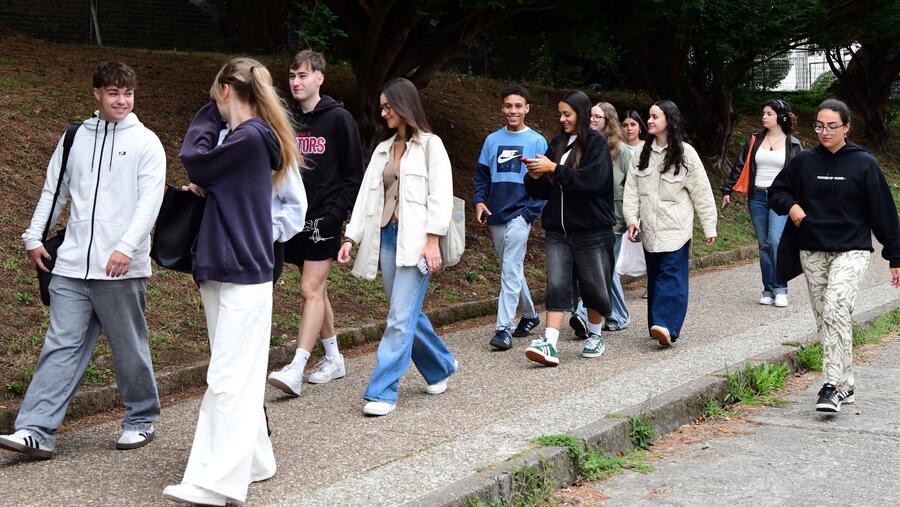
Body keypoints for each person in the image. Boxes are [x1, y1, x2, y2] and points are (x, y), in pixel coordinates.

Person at [0, 61, 165, 459]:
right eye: (113, 93)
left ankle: (141, 419)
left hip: (121, 266)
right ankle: (36, 430)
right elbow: (53, 191)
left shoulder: (146, 142)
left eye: (127, 93)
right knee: (60, 345)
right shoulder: (75, 137)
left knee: (129, 348)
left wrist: (126, 247)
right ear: (97, 94)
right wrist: (32, 236)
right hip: (72, 264)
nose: (121, 100)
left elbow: (150, 203)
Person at [162, 57, 301, 506]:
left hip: (242, 269)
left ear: (225, 90)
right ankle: (256, 460)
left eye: (214, 95)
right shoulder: (244, 139)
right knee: (237, 371)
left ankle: (216, 481)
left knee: (227, 375)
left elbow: (193, 159)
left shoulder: (250, 138)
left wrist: (211, 109)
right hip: (224, 267)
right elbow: (208, 172)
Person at [768, 98, 900, 413]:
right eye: (819, 125)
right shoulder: (804, 162)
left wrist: (896, 257)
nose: (824, 132)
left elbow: (883, 212)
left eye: (832, 126)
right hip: (812, 250)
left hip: (852, 250)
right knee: (826, 318)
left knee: (837, 308)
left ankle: (832, 386)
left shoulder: (864, 163)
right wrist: (793, 208)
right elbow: (777, 192)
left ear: (846, 127)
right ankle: (847, 384)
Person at [338, 78, 457, 416]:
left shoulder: (431, 146)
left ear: (406, 106)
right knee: (404, 313)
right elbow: (366, 198)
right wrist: (351, 237)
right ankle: (441, 366)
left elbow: (441, 195)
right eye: (382, 106)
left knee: (399, 317)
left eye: (389, 106)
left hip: (417, 241)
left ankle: (383, 390)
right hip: (387, 237)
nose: (383, 112)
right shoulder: (382, 149)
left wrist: (433, 240)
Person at [268, 50, 364, 396]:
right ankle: (334, 357)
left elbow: (355, 174)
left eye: (303, 76)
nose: (296, 82)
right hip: (293, 219)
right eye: (292, 76)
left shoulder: (339, 119)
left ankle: (297, 365)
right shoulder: (287, 120)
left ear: (319, 78)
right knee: (315, 290)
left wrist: (337, 216)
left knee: (310, 288)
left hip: (325, 219)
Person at [522, 90, 616, 366]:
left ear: (582, 114)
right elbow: (542, 191)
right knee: (558, 282)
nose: (562, 119)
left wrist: (554, 168)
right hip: (557, 231)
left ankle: (596, 334)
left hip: (591, 229)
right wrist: (536, 175)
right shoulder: (557, 143)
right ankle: (550, 342)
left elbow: (592, 181)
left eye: (567, 114)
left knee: (593, 285)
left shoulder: (596, 144)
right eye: (560, 114)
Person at [623, 100, 717, 347]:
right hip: (650, 231)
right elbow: (631, 191)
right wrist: (632, 219)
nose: (650, 121)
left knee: (671, 278)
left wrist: (710, 226)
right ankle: (658, 326)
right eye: (649, 117)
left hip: (677, 229)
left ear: (669, 121)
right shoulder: (641, 154)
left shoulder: (686, 154)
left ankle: (667, 325)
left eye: (655, 117)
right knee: (655, 279)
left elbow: (702, 193)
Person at [473, 84, 547, 351]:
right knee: (511, 268)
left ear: (527, 108)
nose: (513, 110)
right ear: (502, 108)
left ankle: (502, 329)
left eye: (518, 106)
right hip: (495, 212)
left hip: (520, 214)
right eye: (508, 106)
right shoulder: (492, 140)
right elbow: (482, 176)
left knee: (510, 268)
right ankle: (530, 315)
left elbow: (545, 182)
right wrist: (480, 201)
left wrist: (529, 213)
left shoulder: (537, 141)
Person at [722, 99, 802, 307]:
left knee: (776, 241)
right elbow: (740, 164)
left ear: (781, 117)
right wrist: (727, 189)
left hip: (781, 198)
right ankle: (768, 289)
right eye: (763, 113)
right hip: (757, 197)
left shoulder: (793, 144)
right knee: (764, 244)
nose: (764, 117)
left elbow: (802, 173)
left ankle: (781, 287)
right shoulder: (755, 139)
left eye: (769, 113)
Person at [570, 101, 633, 338]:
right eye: (590, 116)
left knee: (602, 270)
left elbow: (632, 186)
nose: (592, 120)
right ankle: (617, 315)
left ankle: (585, 315)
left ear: (608, 121)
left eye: (597, 117)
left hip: (614, 219)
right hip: (588, 219)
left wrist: (632, 218)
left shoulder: (622, 151)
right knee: (605, 270)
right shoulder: (582, 146)